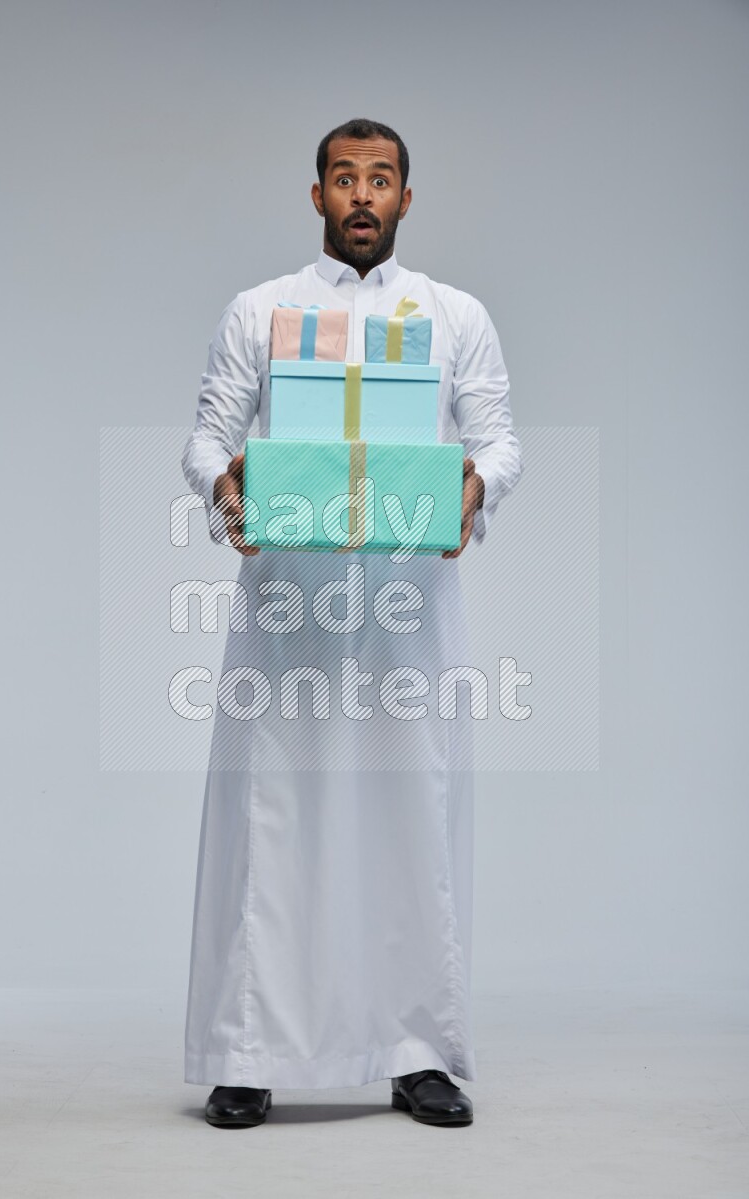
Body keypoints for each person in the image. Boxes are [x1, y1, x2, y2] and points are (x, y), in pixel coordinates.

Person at [181, 118, 522, 1129]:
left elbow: (498, 439)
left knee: (408, 811)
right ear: (317, 194)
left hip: (407, 606)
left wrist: (472, 485)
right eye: (344, 178)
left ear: (407, 199)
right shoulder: (261, 310)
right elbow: (207, 433)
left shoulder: (453, 314)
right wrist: (225, 483)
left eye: (381, 179)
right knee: (271, 813)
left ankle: (415, 1049)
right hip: (290, 601)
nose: (362, 195)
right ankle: (246, 1050)